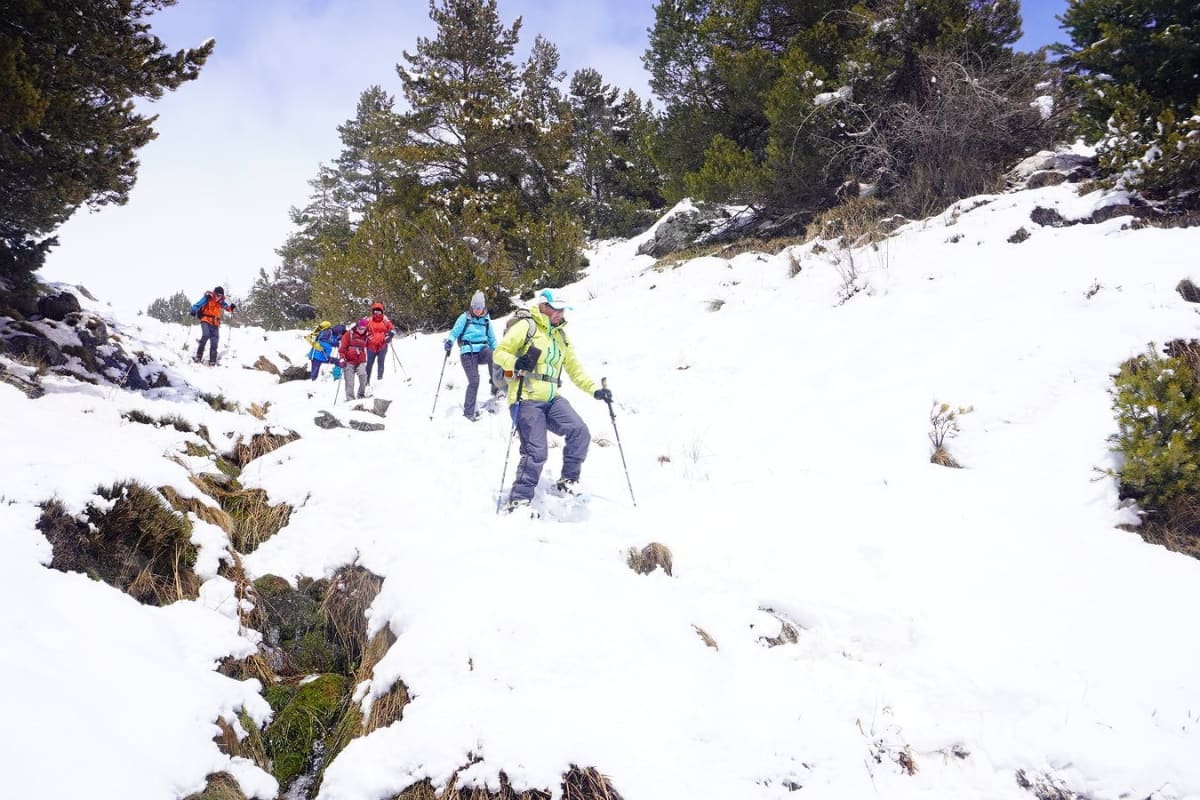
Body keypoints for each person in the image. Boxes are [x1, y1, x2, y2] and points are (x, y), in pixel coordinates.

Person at [492, 289, 613, 512]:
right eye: (556, 308)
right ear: (544, 306)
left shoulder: (561, 337)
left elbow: (575, 370)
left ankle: (568, 480)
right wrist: (516, 362)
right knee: (536, 451)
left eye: (563, 309)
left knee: (580, 431)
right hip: (525, 397)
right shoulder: (527, 327)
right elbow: (499, 352)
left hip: (551, 398)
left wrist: (596, 390)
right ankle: (519, 499)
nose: (560, 313)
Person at [445, 290, 501, 421]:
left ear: (483, 307)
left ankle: (495, 385)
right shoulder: (465, 317)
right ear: (471, 306)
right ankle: (468, 413)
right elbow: (455, 331)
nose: (477, 310)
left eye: (479, 307)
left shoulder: (486, 319)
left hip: (482, 350)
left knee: (494, 355)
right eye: (475, 307)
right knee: (474, 381)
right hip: (467, 352)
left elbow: (492, 338)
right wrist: (449, 342)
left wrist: (498, 351)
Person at [191, 286, 236, 366]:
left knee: (214, 341)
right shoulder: (208, 298)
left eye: (220, 295)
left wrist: (231, 308)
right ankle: (198, 356)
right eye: (217, 295)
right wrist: (193, 310)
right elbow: (198, 304)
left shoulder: (221, 301)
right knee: (206, 335)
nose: (218, 297)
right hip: (205, 319)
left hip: (215, 322)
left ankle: (212, 361)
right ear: (214, 293)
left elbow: (227, 308)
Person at [338, 318, 371, 401]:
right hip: (349, 361)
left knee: (363, 376)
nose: (361, 330)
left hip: (360, 360)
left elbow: (373, 344)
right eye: (359, 328)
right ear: (357, 326)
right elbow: (342, 348)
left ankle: (361, 394)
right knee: (350, 381)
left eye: (363, 329)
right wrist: (342, 358)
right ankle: (350, 399)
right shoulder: (349, 334)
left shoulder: (367, 336)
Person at [364, 302, 394, 384]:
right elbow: (362, 330)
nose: (377, 313)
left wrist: (389, 336)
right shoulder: (368, 320)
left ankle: (379, 380)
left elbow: (392, 329)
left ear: (382, 312)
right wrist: (367, 336)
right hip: (371, 346)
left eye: (379, 311)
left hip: (382, 346)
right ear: (372, 312)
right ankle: (366, 382)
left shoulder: (385, 321)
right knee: (369, 364)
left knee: (381, 362)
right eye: (375, 311)